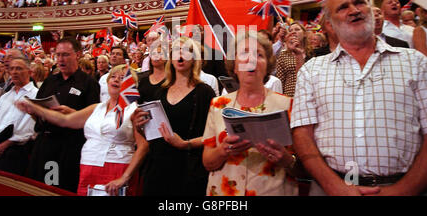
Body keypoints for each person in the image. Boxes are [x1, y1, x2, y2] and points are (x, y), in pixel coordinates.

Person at [291, 0, 427, 196]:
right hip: (330, 187)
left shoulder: (415, 63)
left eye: (359, 3)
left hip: (405, 186)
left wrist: (403, 190)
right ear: (329, 25)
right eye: (343, 7)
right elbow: (303, 135)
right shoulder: (311, 70)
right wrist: (333, 186)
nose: (354, 10)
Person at [16, 65, 148, 196]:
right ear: (107, 81)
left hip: (117, 168)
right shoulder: (96, 108)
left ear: (132, 85)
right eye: (113, 76)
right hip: (88, 167)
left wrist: (124, 177)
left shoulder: (134, 110)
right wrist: (35, 108)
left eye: (122, 78)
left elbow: (143, 146)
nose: (116, 80)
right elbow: (65, 120)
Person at [202, 30, 300, 196]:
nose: (251, 59)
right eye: (244, 53)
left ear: (268, 65)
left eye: (259, 55)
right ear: (234, 65)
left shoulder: (288, 105)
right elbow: (207, 163)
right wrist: (223, 150)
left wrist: (285, 159)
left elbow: (304, 168)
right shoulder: (218, 105)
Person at [132, 36, 216, 196]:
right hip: (157, 169)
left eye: (186, 51)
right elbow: (153, 133)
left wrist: (185, 144)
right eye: (176, 51)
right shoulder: (160, 91)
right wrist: (140, 127)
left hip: (189, 171)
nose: (181, 55)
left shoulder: (204, 92)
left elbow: (213, 135)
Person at [27, 37, 100, 193]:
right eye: (58, 54)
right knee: (40, 187)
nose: (60, 59)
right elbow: (38, 108)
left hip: (69, 146)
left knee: (59, 188)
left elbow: (94, 119)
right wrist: (34, 111)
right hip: (44, 143)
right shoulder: (50, 81)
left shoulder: (88, 83)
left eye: (65, 54)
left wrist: (73, 114)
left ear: (78, 55)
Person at [0, 57, 38, 175]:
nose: (14, 72)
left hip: (16, 151)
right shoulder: (5, 96)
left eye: (18, 68)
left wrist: (7, 143)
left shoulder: (36, 95)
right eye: (11, 69)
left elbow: (31, 128)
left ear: (29, 71)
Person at [275, 22, 313, 97]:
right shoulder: (284, 54)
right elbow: (280, 81)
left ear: (305, 34)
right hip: (290, 96)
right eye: (290, 30)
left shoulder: (313, 53)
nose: (293, 32)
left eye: (297, 29)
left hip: (310, 94)